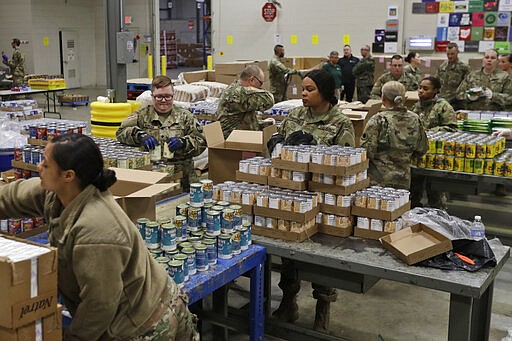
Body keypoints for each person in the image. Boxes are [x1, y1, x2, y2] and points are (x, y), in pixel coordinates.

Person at [0, 134, 199, 340]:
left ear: (68, 175)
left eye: (46, 164)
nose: (39, 167)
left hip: (147, 324)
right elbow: (12, 196)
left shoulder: (96, 230)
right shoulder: (60, 192)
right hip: (114, 309)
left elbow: (99, 305)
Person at [267, 69, 355, 333]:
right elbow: (277, 146)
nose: (303, 94)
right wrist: (274, 143)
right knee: (290, 254)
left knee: (322, 259)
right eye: (302, 89)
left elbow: (348, 163)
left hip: (325, 198)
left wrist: (314, 145)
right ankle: (288, 303)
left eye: (309, 89)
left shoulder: (340, 123)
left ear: (326, 92)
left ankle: (322, 311)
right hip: (293, 194)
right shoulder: (294, 116)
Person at [116, 75, 206, 191]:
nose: (163, 101)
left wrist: (184, 142)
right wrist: (139, 135)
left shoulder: (186, 117)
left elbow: (201, 141)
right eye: (159, 97)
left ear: (173, 96)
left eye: (167, 97)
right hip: (151, 177)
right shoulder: (141, 116)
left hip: (182, 179)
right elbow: (120, 132)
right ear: (152, 97)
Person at [361, 81, 428, 189]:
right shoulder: (415, 119)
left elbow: (366, 152)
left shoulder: (378, 120)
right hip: (404, 180)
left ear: (383, 98)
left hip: (378, 181)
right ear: (403, 98)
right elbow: (422, 149)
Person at [410, 76, 458, 209]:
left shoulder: (443, 106)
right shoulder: (417, 106)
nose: (420, 91)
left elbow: (452, 128)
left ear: (435, 90)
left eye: (425, 89)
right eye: (419, 88)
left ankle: (438, 214)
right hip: (418, 154)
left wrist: (430, 131)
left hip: (435, 154)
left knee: (434, 191)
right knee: (414, 188)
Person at [217, 64, 275, 138]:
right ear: (252, 80)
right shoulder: (238, 93)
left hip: (240, 137)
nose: (261, 87)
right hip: (234, 141)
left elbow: (243, 120)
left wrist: (262, 123)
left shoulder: (238, 90)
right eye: (261, 83)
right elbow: (269, 99)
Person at [436, 42, 471, 110]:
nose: (450, 56)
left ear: (457, 52)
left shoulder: (464, 67)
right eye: (448, 54)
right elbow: (436, 81)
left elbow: (468, 83)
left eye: (452, 54)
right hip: (442, 99)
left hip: (457, 101)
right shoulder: (442, 66)